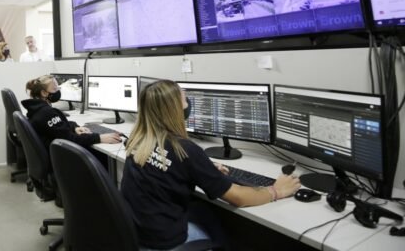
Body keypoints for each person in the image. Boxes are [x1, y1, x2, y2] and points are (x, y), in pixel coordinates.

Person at [121, 80, 301, 250]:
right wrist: (276, 191)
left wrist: (203, 167)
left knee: (204, 211)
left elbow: (170, 166)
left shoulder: (138, 140)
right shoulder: (184, 150)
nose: (188, 104)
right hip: (164, 243)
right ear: (175, 110)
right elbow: (238, 198)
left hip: (135, 234)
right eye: (184, 100)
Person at [22, 75, 121, 158]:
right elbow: (69, 138)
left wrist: (74, 127)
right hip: (60, 158)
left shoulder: (38, 109)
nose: (58, 91)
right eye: (55, 89)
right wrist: (99, 138)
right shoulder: (46, 113)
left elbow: (59, 127)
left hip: (54, 154)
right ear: (44, 93)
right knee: (104, 156)